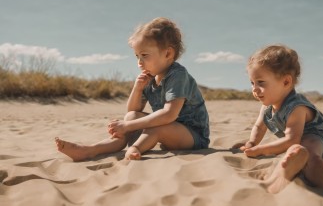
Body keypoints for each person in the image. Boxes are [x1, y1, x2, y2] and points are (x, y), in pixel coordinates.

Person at [55, 17, 210, 161]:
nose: (139, 62)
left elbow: (169, 115)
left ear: (168, 53)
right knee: (131, 116)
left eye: (144, 55)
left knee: (155, 127)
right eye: (137, 56)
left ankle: (135, 148)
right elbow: (132, 111)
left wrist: (127, 126)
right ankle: (91, 150)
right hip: (171, 132)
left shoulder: (177, 75)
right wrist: (137, 89)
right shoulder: (149, 77)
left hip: (193, 137)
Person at [234, 44, 323, 193]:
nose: (254, 89)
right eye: (252, 83)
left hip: (314, 138)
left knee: (309, 149)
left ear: (286, 82)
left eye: (261, 82)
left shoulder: (297, 107)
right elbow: (259, 127)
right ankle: (289, 166)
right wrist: (252, 142)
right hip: (293, 143)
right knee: (295, 150)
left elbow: (292, 139)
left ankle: (320, 181)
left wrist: (259, 150)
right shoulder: (267, 106)